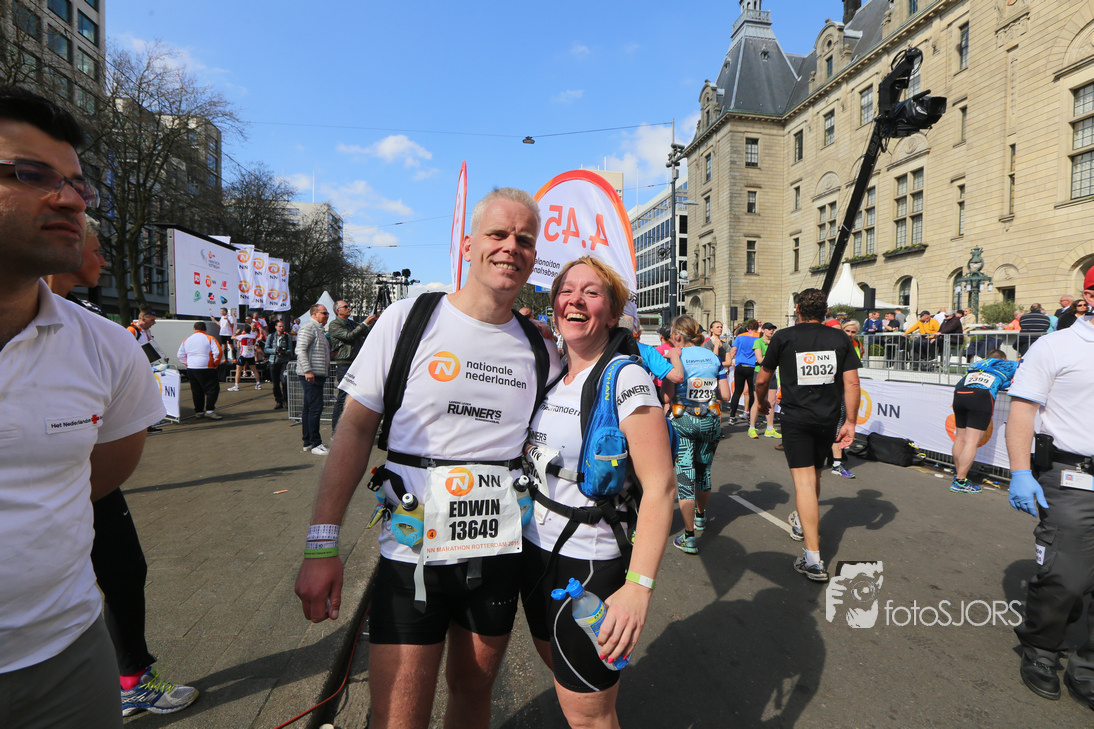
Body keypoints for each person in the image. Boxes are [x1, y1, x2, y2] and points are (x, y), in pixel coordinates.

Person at [294, 188, 561, 729]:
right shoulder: (409, 319)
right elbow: (354, 430)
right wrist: (322, 546)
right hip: (410, 553)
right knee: (398, 716)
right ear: (467, 244)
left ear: (535, 257)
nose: (511, 247)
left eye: (525, 240)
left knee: (473, 692)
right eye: (498, 234)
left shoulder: (542, 350)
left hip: (496, 554)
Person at [0, 84, 167, 727]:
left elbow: (96, 477)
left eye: (76, 183)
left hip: (69, 658)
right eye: (31, 174)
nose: (71, 199)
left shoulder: (108, 349)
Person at [48, 218, 199, 716]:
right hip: (63, 495)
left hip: (89, 484)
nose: (104, 260)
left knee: (124, 571)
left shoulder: (93, 326)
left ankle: (131, 676)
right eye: (96, 249)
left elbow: (121, 439)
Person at [520, 257, 675, 726]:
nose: (576, 300)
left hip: (589, 560)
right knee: (560, 669)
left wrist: (638, 587)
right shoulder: (555, 373)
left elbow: (661, 487)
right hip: (535, 551)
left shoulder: (625, 377)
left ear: (611, 314)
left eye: (592, 292)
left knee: (587, 712)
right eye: (566, 291)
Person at [1004, 268, 1094, 708]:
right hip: (1073, 475)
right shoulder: (1056, 345)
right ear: (1090, 295)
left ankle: (1088, 668)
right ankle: (1041, 649)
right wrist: (1020, 471)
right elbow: (1022, 411)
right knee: (1066, 576)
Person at [756, 288, 861, 582]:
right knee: (814, 475)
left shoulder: (784, 336)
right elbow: (852, 384)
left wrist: (761, 401)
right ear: (825, 312)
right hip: (827, 417)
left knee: (804, 482)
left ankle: (813, 559)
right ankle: (803, 523)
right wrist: (850, 422)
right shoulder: (840, 338)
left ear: (798, 310)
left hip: (797, 417)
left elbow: (762, 379)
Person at [666, 315, 731, 554]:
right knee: (704, 471)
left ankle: (689, 536)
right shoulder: (713, 357)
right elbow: (726, 395)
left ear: (677, 335)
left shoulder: (675, 356)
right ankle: (701, 516)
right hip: (710, 420)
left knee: (685, 476)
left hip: (683, 420)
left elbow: (666, 396)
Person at [949, 349, 1017, 494]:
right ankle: (960, 481)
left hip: (960, 393)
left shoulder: (978, 363)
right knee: (971, 442)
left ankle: (959, 476)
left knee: (960, 439)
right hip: (980, 396)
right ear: (1004, 358)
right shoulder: (1008, 364)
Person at [327, 300, 378, 432]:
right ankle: (336, 430)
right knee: (343, 396)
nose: (349, 308)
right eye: (345, 306)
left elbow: (366, 332)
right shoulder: (334, 324)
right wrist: (365, 323)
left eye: (348, 306)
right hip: (345, 364)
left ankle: (351, 427)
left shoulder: (351, 323)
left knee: (357, 396)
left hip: (357, 363)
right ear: (338, 310)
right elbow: (349, 336)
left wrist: (374, 321)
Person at [295, 303, 331, 455]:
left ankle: (308, 441)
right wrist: (308, 370)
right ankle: (316, 443)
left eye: (327, 313)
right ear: (315, 314)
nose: (327, 315)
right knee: (315, 408)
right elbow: (300, 350)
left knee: (309, 408)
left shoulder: (319, 330)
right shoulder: (309, 328)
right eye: (324, 313)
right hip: (311, 375)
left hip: (315, 373)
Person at [178, 321, 224, 421]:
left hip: (192, 368)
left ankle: (199, 412)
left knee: (196, 390)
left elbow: (180, 355)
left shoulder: (187, 340)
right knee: (212, 389)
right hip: (207, 367)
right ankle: (210, 410)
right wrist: (216, 363)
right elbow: (218, 352)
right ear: (205, 329)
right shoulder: (210, 338)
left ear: (194, 329)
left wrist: (187, 363)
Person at [748, 322, 781, 438]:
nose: (771, 331)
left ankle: (770, 428)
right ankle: (752, 428)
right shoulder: (758, 342)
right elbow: (760, 360)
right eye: (769, 329)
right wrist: (772, 351)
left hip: (772, 374)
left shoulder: (774, 342)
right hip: (760, 373)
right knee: (758, 401)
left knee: (771, 402)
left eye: (772, 329)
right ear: (763, 330)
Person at [727, 319, 760, 425]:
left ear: (747, 328)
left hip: (740, 366)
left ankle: (732, 416)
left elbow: (733, 351)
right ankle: (750, 417)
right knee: (751, 392)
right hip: (753, 367)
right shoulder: (759, 337)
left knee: (737, 392)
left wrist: (729, 363)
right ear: (757, 328)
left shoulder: (740, 336)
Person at [265, 319, 293, 410]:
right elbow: (266, 349)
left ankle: (285, 400)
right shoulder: (271, 336)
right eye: (280, 326)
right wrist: (275, 351)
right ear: (276, 327)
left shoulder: (287, 337)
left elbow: (290, 350)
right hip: (273, 362)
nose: (281, 328)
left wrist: (283, 351)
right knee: (275, 383)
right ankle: (278, 401)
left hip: (284, 362)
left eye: (283, 326)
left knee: (284, 382)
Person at [228, 324, 261, 391]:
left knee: (238, 370)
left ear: (244, 330)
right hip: (251, 355)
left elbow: (232, 337)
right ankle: (258, 384)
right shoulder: (253, 336)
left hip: (243, 355)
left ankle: (236, 386)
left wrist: (236, 333)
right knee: (254, 370)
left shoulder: (242, 336)